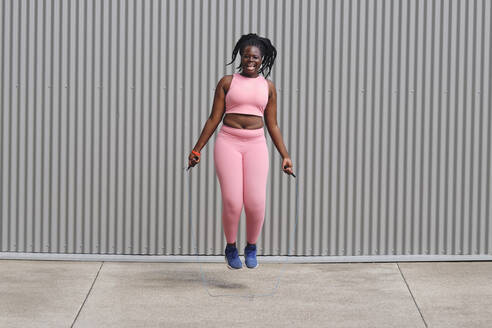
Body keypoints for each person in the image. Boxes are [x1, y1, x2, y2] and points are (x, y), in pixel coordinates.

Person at [187, 33, 294, 270]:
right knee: (232, 201)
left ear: (262, 58)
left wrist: (285, 155)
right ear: (240, 57)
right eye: (246, 56)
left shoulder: (268, 87)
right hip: (228, 142)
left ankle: (251, 247)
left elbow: (272, 124)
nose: (250, 60)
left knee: (255, 202)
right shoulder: (227, 82)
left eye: (255, 57)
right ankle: (231, 247)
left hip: (256, 144)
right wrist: (197, 149)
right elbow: (214, 118)